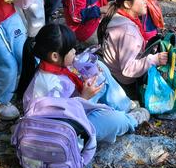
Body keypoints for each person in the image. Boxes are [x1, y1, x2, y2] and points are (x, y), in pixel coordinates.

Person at [20, 24, 150, 144]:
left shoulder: (52, 67)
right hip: (66, 130)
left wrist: (86, 77)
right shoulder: (49, 85)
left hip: (74, 106)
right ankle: (131, 119)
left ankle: (125, 106)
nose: (74, 52)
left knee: (98, 68)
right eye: (70, 49)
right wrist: (84, 98)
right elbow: (63, 119)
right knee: (116, 121)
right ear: (55, 56)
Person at [99, 0, 168, 99]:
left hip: (112, 72)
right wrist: (154, 59)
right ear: (127, 4)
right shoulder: (128, 32)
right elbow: (128, 69)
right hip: (125, 83)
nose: (146, 2)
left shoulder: (113, 15)